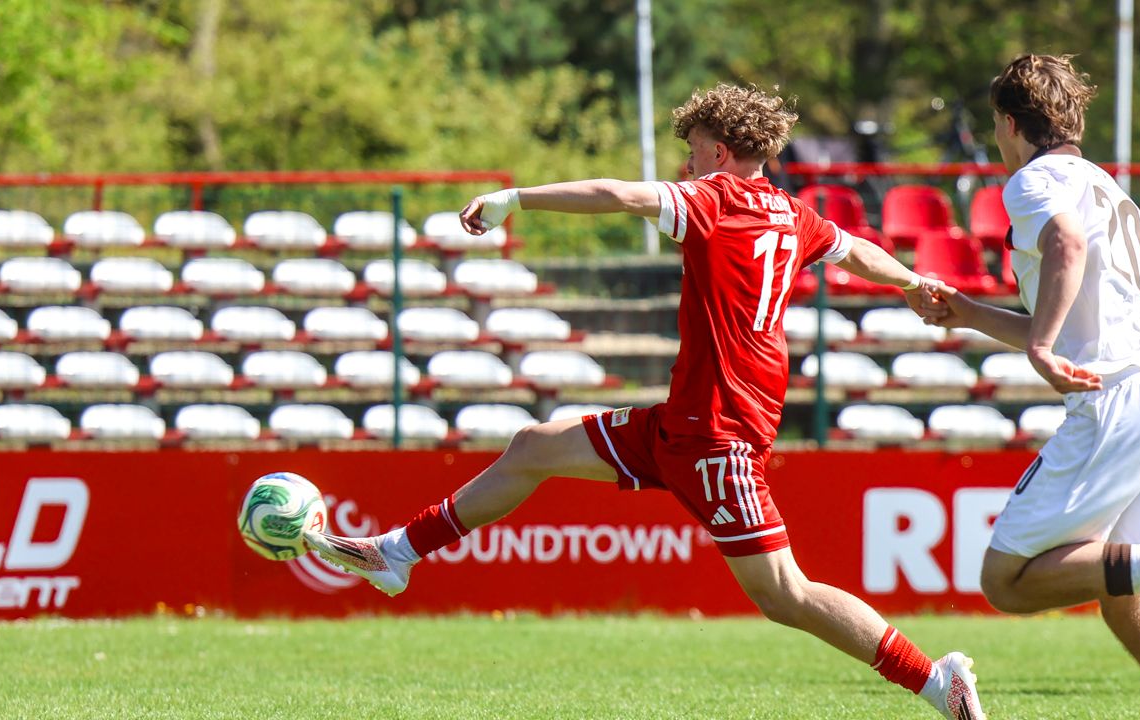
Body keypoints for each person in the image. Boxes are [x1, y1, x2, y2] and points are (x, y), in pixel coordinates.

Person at [301, 83, 986, 720]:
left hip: (719, 436)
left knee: (785, 595)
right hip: (680, 424)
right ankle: (399, 551)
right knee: (534, 445)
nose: (686, 167)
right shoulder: (793, 213)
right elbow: (855, 250)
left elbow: (616, 194)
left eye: (692, 153)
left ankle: (934, 678)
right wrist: (909, 282)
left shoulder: (718, 199)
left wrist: (517, 199)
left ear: (720, 152)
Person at [921, 54, 1140, 720]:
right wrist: (970, 314)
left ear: (1007, 123)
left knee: (1004, 581)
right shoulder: (1108, 186)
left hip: (1117, 403)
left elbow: (1063, 244)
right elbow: (1082, 302)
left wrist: (1037, 345)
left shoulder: (1033, 182)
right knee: (1129, 604)